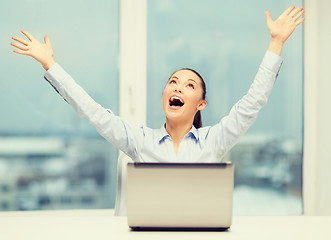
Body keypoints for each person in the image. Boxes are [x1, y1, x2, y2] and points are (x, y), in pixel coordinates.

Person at [10, 6, 304, 163]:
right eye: (173, 82)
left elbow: (251, 104)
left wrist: (276, 42)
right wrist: (51, 64)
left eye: (189, 86)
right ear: (164, 94)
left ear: (201, 104)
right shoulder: (139, 142)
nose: (177, 87)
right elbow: (92, 111)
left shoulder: (215, 141)